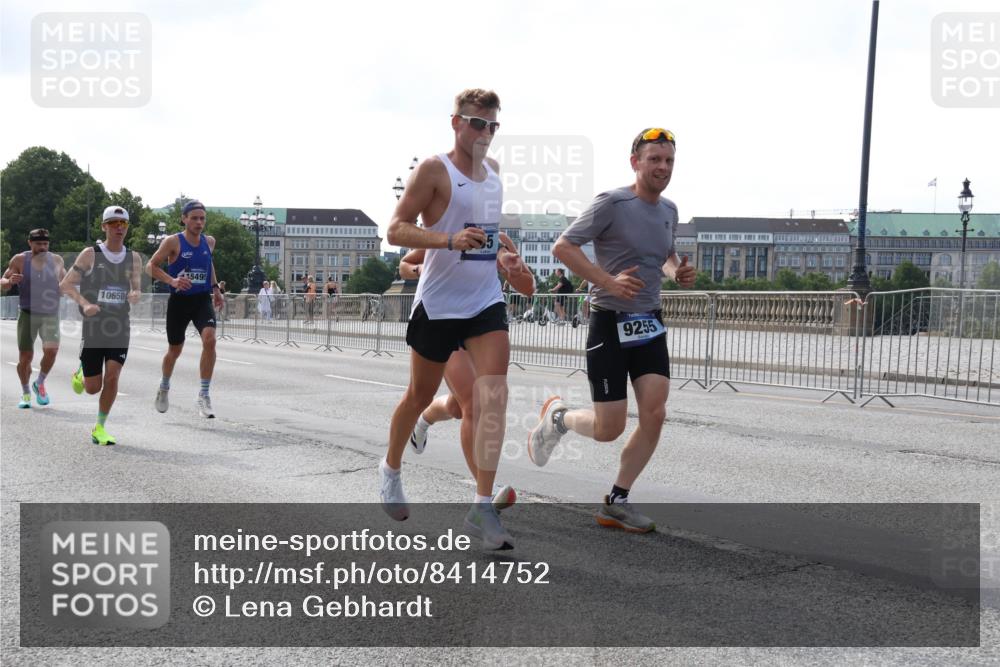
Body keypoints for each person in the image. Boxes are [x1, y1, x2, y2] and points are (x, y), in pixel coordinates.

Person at [527, 128, 696, 533]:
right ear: (635, 162)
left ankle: (617, 500)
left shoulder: (669, 209)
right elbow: (563, 247)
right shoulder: (612, 203)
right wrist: (607, 281)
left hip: (649, 322)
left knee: (655, 413)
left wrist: (678, 273)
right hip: (609, 323)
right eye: (654, 159)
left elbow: (666, 256)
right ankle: (559, 418)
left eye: (669, 160)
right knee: (609, 428)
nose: (663, 167)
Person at [380, 87, 514, 549]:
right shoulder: (435, 170)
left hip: (483, 302)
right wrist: (448, 240)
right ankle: (391, 467)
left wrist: (506, 260)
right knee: (419, 394)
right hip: (438, 304)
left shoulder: (494, 174)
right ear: (455, 122)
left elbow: (488, 235)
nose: (484, 133)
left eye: (492, 125)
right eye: (476, 123)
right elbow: (396, 228)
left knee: (492, 397)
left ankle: (481, 507)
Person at [401, 232, 534, 513]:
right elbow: (404, 264)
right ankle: (484, 493)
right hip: (444, 318)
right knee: (471, 404)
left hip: (481, 322)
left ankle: (424, 421)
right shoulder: (446, 231)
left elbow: (528, 287)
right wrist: (419, 269)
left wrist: (514, 268)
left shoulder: (497, 239)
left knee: (460, 406)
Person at [60, 206, 142, 445]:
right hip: (94, 326)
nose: (119, 227)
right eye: (114, 223)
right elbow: (65, 285)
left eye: (123, 224)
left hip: (119, 325)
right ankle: (82, 372)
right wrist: (85, 304)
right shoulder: (90, 254)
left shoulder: (133, 257)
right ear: (104, 226)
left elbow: (135, 285)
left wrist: (136, 293)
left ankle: (100, 427)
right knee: (92, 388)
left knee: (113, 376)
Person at [145, 200, 225, 418]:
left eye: (202, 218)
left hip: (201, 299)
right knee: (175, 351)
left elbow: (208, 265)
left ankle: (204, 394)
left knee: (210, 340)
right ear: (184, 219)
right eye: (195, 218)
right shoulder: (173, 242)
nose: (199, 222)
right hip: (179, 302)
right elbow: (150, 266)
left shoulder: (209, 242)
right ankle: (164, 386)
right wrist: (172, 281)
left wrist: (216, 288)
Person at [1, 228, 66, 408]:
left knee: (52, 351)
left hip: (50, 313)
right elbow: (3, 283)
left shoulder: (56, 260)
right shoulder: (20, 260)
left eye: (45, 244)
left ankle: (40, 382)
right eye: (38, 244)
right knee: (25, 357)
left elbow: (65, 282)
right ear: (30, 243)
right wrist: (10, 281)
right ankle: (26, 392)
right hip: (28, 313)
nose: (43, 247)